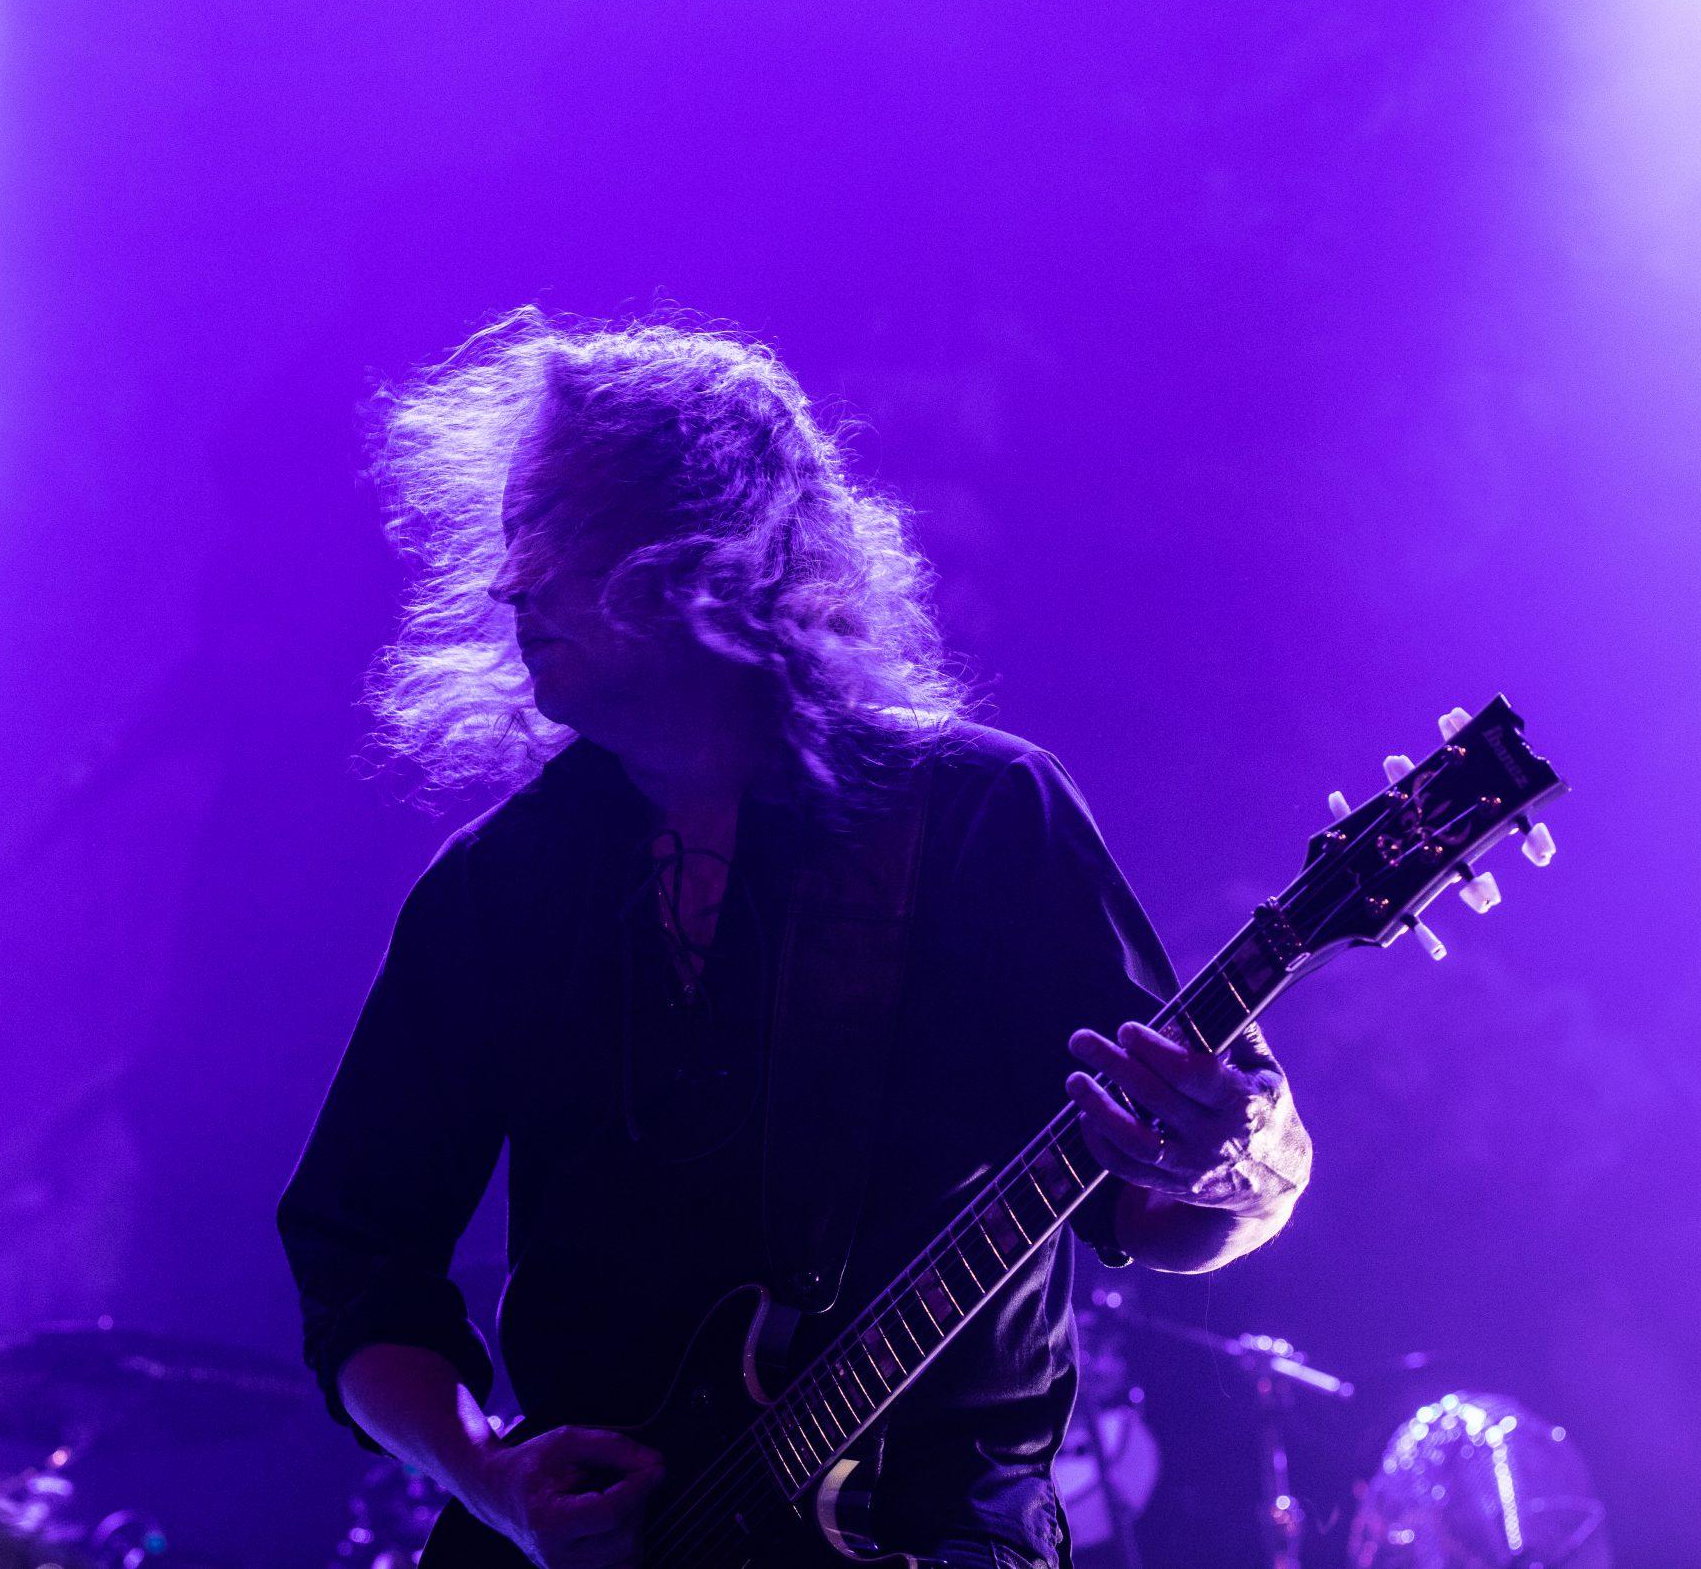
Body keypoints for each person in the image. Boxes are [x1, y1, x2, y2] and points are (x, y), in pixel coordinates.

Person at [278, 314, 1311, 1569]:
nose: (510, 583)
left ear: (699, 547)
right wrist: (490, 1479)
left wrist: (1239, 1158)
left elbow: (1164, 1208)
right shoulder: (496, 889)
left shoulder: (980, 818)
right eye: (509, 537)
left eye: (550, 530)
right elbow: (359, 1266)